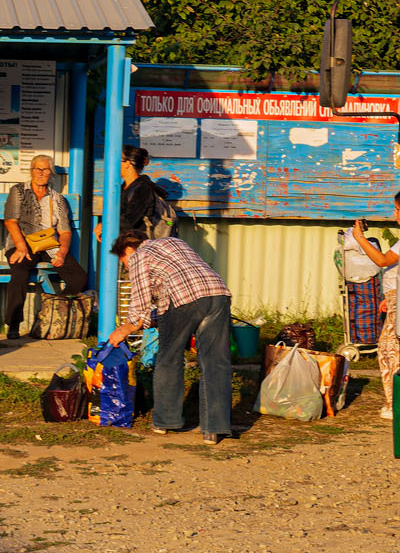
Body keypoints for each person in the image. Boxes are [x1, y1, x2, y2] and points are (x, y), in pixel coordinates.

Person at [106, 230, 233, 444]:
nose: (126, 268)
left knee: (168, 359)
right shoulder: (174, 241)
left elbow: (140, 302)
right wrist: (147, 320)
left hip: (184, 299)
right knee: (216, 363)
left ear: (128, 250)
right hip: (218, 293)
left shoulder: (139, 255)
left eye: (123, 262)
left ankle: (166, 421)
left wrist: (124, 330)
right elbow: (168, 306)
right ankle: (215, 428)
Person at [3, 154, 87, 340]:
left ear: (51, 173)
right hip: (22, 244)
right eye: (37, 169)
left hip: (50, 246)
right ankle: (13, 324)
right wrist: (21, 246)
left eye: (45, 169)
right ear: (31, 171)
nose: (41, 173)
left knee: (79, 278)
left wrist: (62, 253)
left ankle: (52, 313)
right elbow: (10, 221)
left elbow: (65, 232)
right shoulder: (18, 191)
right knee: (20, 273)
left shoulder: (57, 198)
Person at [350, 189, 400, 421]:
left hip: (399, 299)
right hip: (394, 298)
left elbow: (382, 261)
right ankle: (396, 402)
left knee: (388, 351)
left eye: (398, 209)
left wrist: (360, 238)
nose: (395, 214)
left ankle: (395, 404)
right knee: (390, 349)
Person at [96, 146, 168, 241]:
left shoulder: (144, 188)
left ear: (128, 163)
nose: (112, 164)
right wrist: (102, 224)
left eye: (116, 160)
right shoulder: (124, 187)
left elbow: (129, 221)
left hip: (137, 247)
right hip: (123, 244)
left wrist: (105, 225)